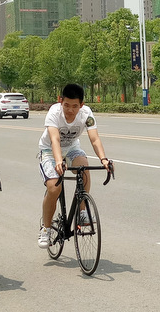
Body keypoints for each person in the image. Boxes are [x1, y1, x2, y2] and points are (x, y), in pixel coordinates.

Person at [37, 83, 110, 249]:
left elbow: (94, 139)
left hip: (71, 148)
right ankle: (46, 229)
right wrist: (58, 161)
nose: (70, 110)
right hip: (49, 150)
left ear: (81, 105)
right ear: (60, 101)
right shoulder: (54, 112)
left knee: (84, 168)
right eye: (66, 105)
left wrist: (104, 159)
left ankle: (82, 213)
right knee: (54, 188)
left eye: (75, 106)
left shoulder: (86, 114)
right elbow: (54, 139)